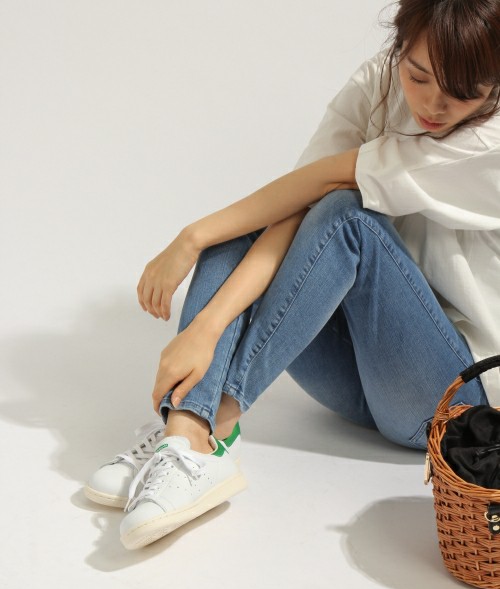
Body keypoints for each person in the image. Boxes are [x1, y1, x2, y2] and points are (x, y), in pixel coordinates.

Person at [84, 0, 500, 550]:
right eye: (418, 75)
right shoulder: (378, 84)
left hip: (447, 400)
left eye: (464, 91)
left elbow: (327, 192)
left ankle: (209, 425)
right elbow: (293, 206)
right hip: (359, 382)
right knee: (247, 227)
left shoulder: (491, 140)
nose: (433, 104)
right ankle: (185, 435)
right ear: (400, 47)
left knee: (347, 217)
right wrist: (205, 315)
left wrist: (191, 240)